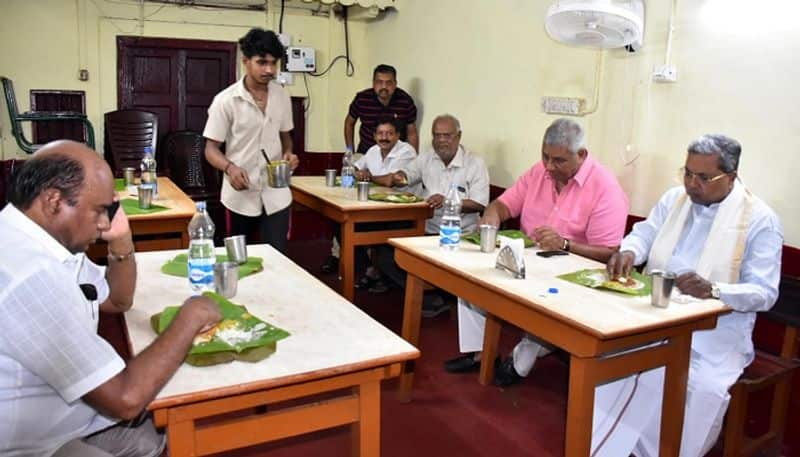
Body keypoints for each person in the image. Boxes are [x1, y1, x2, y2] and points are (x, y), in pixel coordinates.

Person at [0, 140, 222, 457]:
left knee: (161, 415)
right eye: (99, 210)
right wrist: (192, 315)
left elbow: (116, 300)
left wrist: (121, 241)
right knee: (181, 428)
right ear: (53, 201)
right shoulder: (32, 274)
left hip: (72, 414)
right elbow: (125, 400)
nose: (104, 223)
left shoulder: (36, 240)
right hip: (40, 443)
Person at [592, 134, 783, 457]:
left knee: (700, 391)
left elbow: (765, 293)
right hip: (655, 316)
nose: (692, 184)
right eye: (688, 173)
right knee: (611, 361)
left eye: (704, 177)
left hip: (716, 336)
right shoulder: (674, 200)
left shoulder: (760, 220)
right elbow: (645, 234)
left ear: (731, 177)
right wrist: (628, 252)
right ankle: (610, 447)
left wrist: (715, 289)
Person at [443, 118, 629, 386]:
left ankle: (527, 353)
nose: (550, 167)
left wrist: (565, 244)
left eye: (559, 161)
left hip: (573, 273)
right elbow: (504, 204)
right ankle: (480, 354)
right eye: (545, 157)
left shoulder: (605, 188)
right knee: (471, 278)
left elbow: (608, 254)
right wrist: (492, 216)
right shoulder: (538, 172)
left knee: (539, 304)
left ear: (582, 155)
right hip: (529, 261)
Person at [372, 114, 489, 316]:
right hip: (426, 232)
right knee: (386, 256)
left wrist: (449, 200)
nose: (441, 140)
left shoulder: (475, 163)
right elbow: (408, 175)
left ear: (458, 136)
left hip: (460, 236)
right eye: (436, 135)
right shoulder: (426, 158)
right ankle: (430, 298)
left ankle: (439, 294)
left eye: (447, 135)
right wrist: (400, 178)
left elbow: (480, 203)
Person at [204, 27, 299, 254]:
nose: (269, 70)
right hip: (240, 194)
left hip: (276, 194)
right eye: (262, 62)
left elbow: (287, 137)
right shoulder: (225, 101)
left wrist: (288, 154)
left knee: (278, 259)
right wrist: (229, 167)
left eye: (274, 63)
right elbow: (210, 149)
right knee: (236, 259)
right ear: (245, 61)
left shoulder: (282, 96)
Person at [322, 64, 419, 273]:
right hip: (366, 155)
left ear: (395, 84)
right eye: (379, 82)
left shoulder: (405, 102)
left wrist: (414, 162)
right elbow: (349, 123)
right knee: (341, 210)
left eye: (388, 82)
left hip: (390, 169)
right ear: (373, 83)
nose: (384, 87)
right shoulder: (362, 98)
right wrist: (349, 152)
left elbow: (411, 131)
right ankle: (341, 257)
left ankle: (365, 266)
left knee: (357, 214)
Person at [351, 118, 418, 293]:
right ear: (374, 136)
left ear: (398, 135)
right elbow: (355, 168)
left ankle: (384, 275)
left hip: (404, 212)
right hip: (376, 208)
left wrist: (369, 176)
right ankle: (370, 270)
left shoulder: (406, 151)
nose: (384, 137)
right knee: (340, 225)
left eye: (389, 133)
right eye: (380, 133)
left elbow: (390, 180)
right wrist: (359, 172)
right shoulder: (373, 151)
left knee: (379, 246)